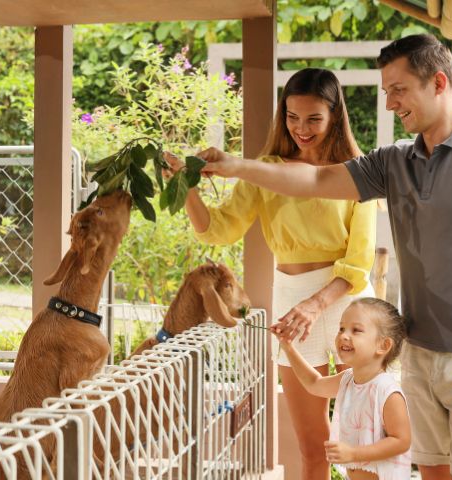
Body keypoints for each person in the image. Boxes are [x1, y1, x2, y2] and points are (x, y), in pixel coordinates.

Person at [197, 34, 452, 480]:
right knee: (431, 474)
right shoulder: (393, 163)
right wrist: (234, 165)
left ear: (439, 82)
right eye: (386, 91)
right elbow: (314, 182)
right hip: (420, 350)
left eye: (398, 89)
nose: (389, 103)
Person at [164, 67, 379, 479]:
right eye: (292, 117)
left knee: (359, 442)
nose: (301, 128)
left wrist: (316, 305)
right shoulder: (265, 170)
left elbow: (358, 261)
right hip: (290, 298)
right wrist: (184, 186)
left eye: (314, 118)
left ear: (335, 116)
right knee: (311, 445)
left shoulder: (357, 170)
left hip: (346, 301)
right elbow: (218, 230)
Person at [273, 298, 411, 480]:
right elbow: (314, 383)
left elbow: (402, 441)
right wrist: (288, 347)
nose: (344, 335)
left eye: (356, 330)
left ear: (383, 345)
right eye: (341, 329)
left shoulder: (387, 391)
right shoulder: (347, 380)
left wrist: (354, 453)